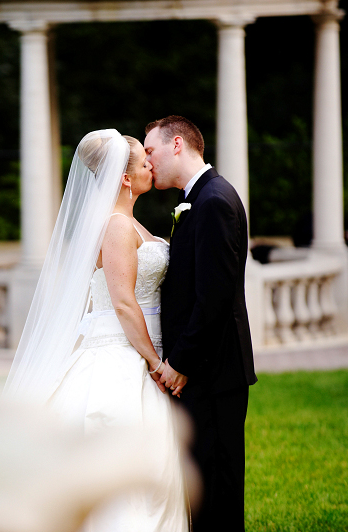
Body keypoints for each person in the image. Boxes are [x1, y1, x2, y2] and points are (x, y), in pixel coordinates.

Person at [5, 129, 189, 531]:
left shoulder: (129, 223)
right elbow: (123, 304)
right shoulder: (117, 227)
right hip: (122, 358)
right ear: (124, 178)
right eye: (144, 162)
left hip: (136, 350)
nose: (151, 165)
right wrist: (157, 363)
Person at [143, 116, 257, 531]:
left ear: (177, 144)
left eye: (150, 150)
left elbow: (214, 298)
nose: (147, 161)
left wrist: (180, 363)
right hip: (208, 373)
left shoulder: (213, 202)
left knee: (217, 492)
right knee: (205, 490)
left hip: (212, 374)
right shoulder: (202, 198)